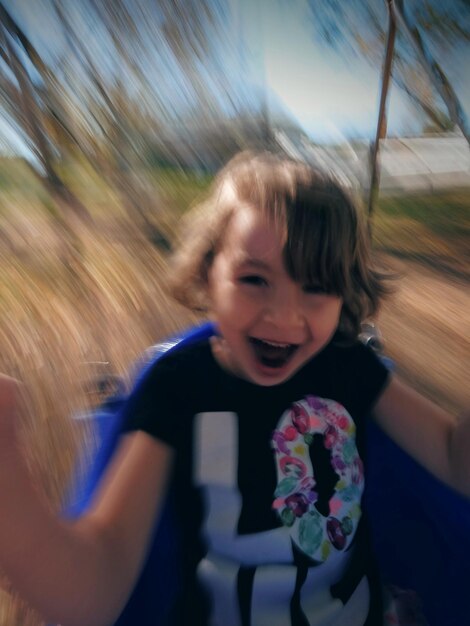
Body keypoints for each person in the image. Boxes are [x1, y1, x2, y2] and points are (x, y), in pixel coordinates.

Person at [0, 151, 468, 626]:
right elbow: (99, 584)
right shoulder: (179, 386)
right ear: (208, 273)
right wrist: (12, 502)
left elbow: (454, 457)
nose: (284, 316)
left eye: (317, 286)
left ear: (344, 295)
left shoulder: (347, 366)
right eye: (254, 279)